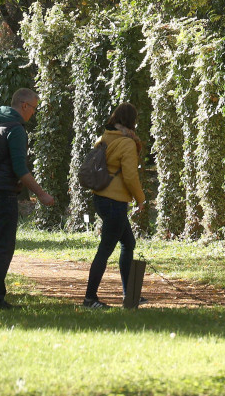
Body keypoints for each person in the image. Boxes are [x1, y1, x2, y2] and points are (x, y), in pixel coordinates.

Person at [0, 87, 55, 309]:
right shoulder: (15, 129)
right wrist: (41, 194)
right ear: (24, 105)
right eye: (33, 108)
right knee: (4, 245)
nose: (33, 113)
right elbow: (20, 169)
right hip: (2, 191)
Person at [82, 102, 146, 309]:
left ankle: (131, 295)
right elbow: (130, 175)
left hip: (100, 198)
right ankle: (90, 298)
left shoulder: (104, 138)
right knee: (105, 249)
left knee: (128, 243)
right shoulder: (126, 143)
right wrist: (140, 198)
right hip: (115, 202)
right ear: (132, 121)